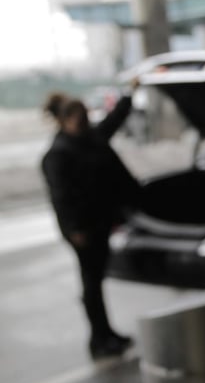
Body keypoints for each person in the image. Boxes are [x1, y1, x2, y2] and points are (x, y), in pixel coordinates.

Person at [41, 79, 141, 359]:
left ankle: (106, 333)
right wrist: (75, 229)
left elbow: (114, 120)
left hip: (99, 221)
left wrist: (129, 94)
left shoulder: (89, 140)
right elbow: (61, 198)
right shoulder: (58, 155)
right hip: (82, 229)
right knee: (91, 283)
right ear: (64, 121)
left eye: (86, 117)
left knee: (96, 279)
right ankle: (98, 339)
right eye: (78, 118)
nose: (84, 122)